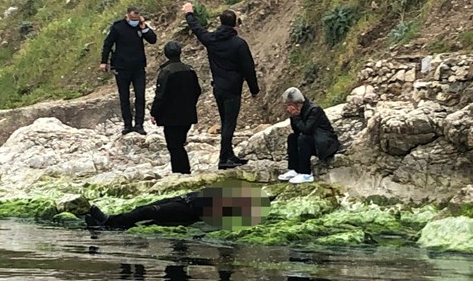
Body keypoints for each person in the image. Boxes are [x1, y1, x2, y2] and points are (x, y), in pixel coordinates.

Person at [182, 2, 260, 170]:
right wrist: (254, 90)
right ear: (235, 24)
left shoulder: (211, 40)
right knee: (229, 124)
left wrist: (189, 13)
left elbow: (196, 28)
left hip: (218, 87)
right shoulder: (239, 44)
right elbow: (248, 69)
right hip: (233, 89)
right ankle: (223, 159)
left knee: (225, 122)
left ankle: (229, 155)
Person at [84, 189, 275, 230]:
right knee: (146, 208)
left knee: (149, 212)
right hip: (184, 199)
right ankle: (111, 223)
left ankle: (108, 221)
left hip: (186, 210)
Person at [100, 6, 158, 135]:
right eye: (132, 18)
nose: (134, 21)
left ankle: (139, 124)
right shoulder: (118, 27)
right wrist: (104, 61)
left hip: (138, 67)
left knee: (140, 96)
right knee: (124, 97)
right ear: (127, 15)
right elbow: (108, 44)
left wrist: (144, 27)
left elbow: (153, 40)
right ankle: (127, 124)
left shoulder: (140, 26)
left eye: (137, 19)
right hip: (121, 67)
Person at [150, 41, 202, 174]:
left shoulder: (166, 72)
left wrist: (154, 112)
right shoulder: (189, 70)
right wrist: (190, 104)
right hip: (187, 113)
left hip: (171, 116)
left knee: (174, 146)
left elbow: (160, 96)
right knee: (180, 142)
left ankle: (180, 172)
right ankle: (184, 170)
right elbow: (197, 90)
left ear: (166, 54)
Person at [277, 87, 341, 184]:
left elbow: (307, 130)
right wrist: (294, 116)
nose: (288, 108)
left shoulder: (314, 110)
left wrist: (296, 116)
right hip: (315, 140)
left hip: (326, 142)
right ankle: (294, 169)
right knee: (292, 137)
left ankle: (305, 173)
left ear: (297, 103)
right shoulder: (299, 112)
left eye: (290, 105)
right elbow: (297, 131)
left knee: (303, 139)